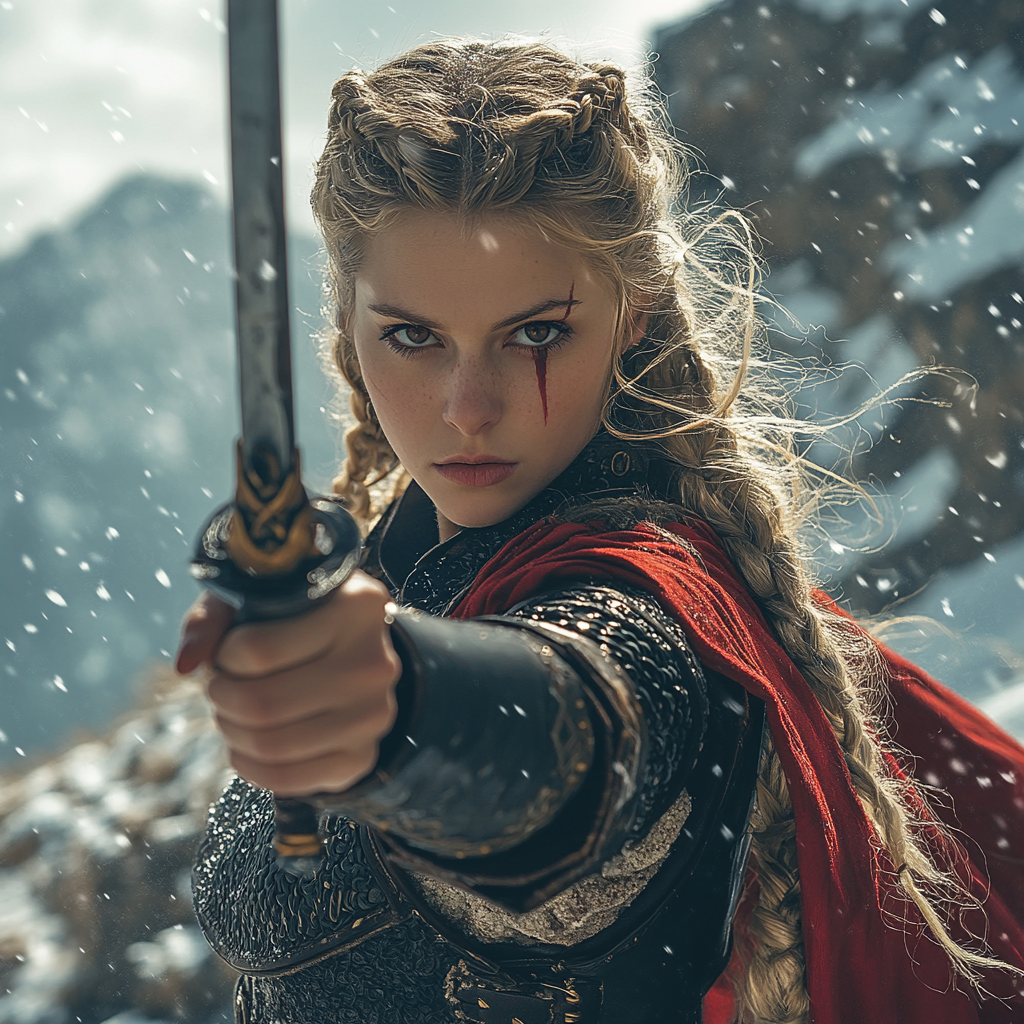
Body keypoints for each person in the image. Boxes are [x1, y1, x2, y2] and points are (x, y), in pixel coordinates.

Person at [177, 38, 1024, 1024]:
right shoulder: (399, 560)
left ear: (636, 314)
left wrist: (406, 706)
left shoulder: (656, 590)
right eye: (413, 336)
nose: (466, 407)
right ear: (347, 325)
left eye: (536, 332)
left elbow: (585, 724)